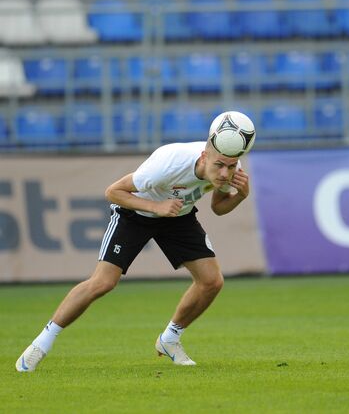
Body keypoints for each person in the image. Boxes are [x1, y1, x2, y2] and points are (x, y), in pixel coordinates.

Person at [16, 119, 252, 372]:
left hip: (177, 216)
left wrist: (241, 195)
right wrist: (156, 207)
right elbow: (113, 192)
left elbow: (218, 208)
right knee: (103, 283)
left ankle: (169, 340)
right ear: (205, 156)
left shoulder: (230, 160)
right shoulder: (169, 164)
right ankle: (42, 343)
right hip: (135, 213)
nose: (225, 173)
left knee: (211, 281)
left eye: (230, 166)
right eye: (219, 166)